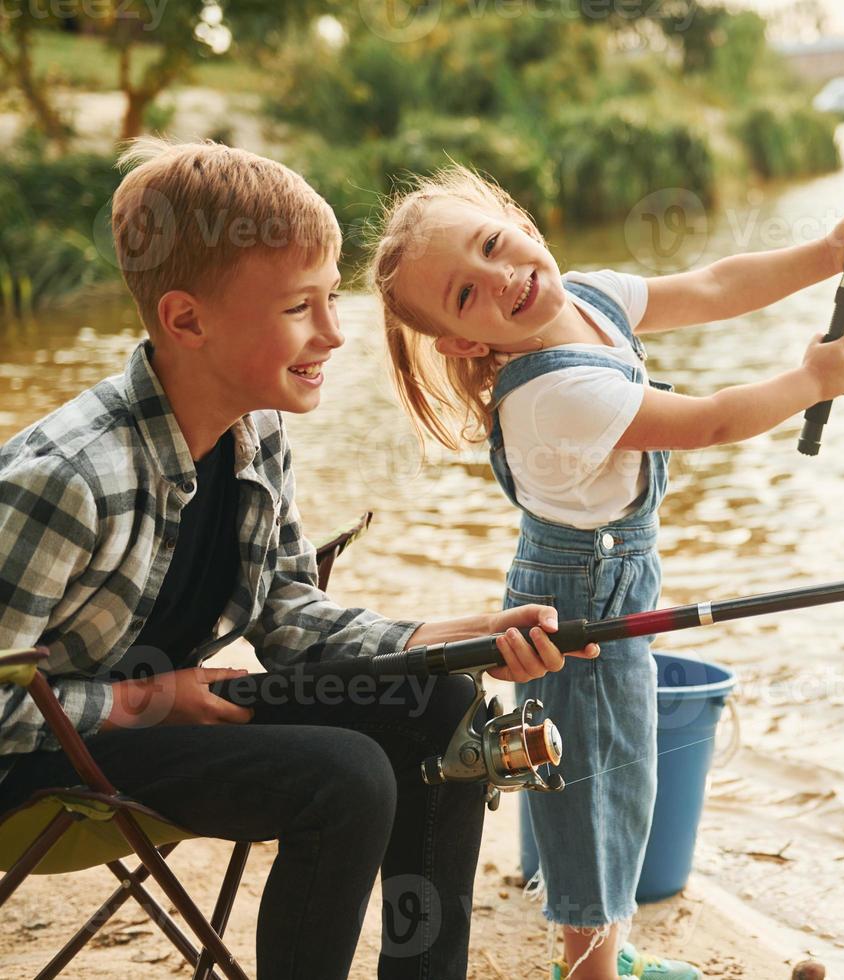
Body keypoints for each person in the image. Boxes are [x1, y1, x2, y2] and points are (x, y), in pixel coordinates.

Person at [0, 139, 599, 980]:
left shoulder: (258, 423)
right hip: (32, 761)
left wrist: (466, 634)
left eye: (330, 298)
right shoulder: (66, 481)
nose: (334, 333)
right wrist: (144, 700)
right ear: (185, 321)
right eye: (297, 309)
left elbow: (289, 617)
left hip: (163, 713)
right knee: (345, 775)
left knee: (445, 707)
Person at [368, 164, 844, 980]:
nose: (503, 278)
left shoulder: (586, 297)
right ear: (464, 343)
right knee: (595, 788)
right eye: (466, 294)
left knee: (614, 772)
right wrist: (808, 383)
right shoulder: (552, 396)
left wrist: (824, 255)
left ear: (520, 223)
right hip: (577, 604)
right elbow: (708, 423)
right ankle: (592, 969)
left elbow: (714, 285)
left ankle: (602, 951)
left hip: (611, 577)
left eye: (496, 244)